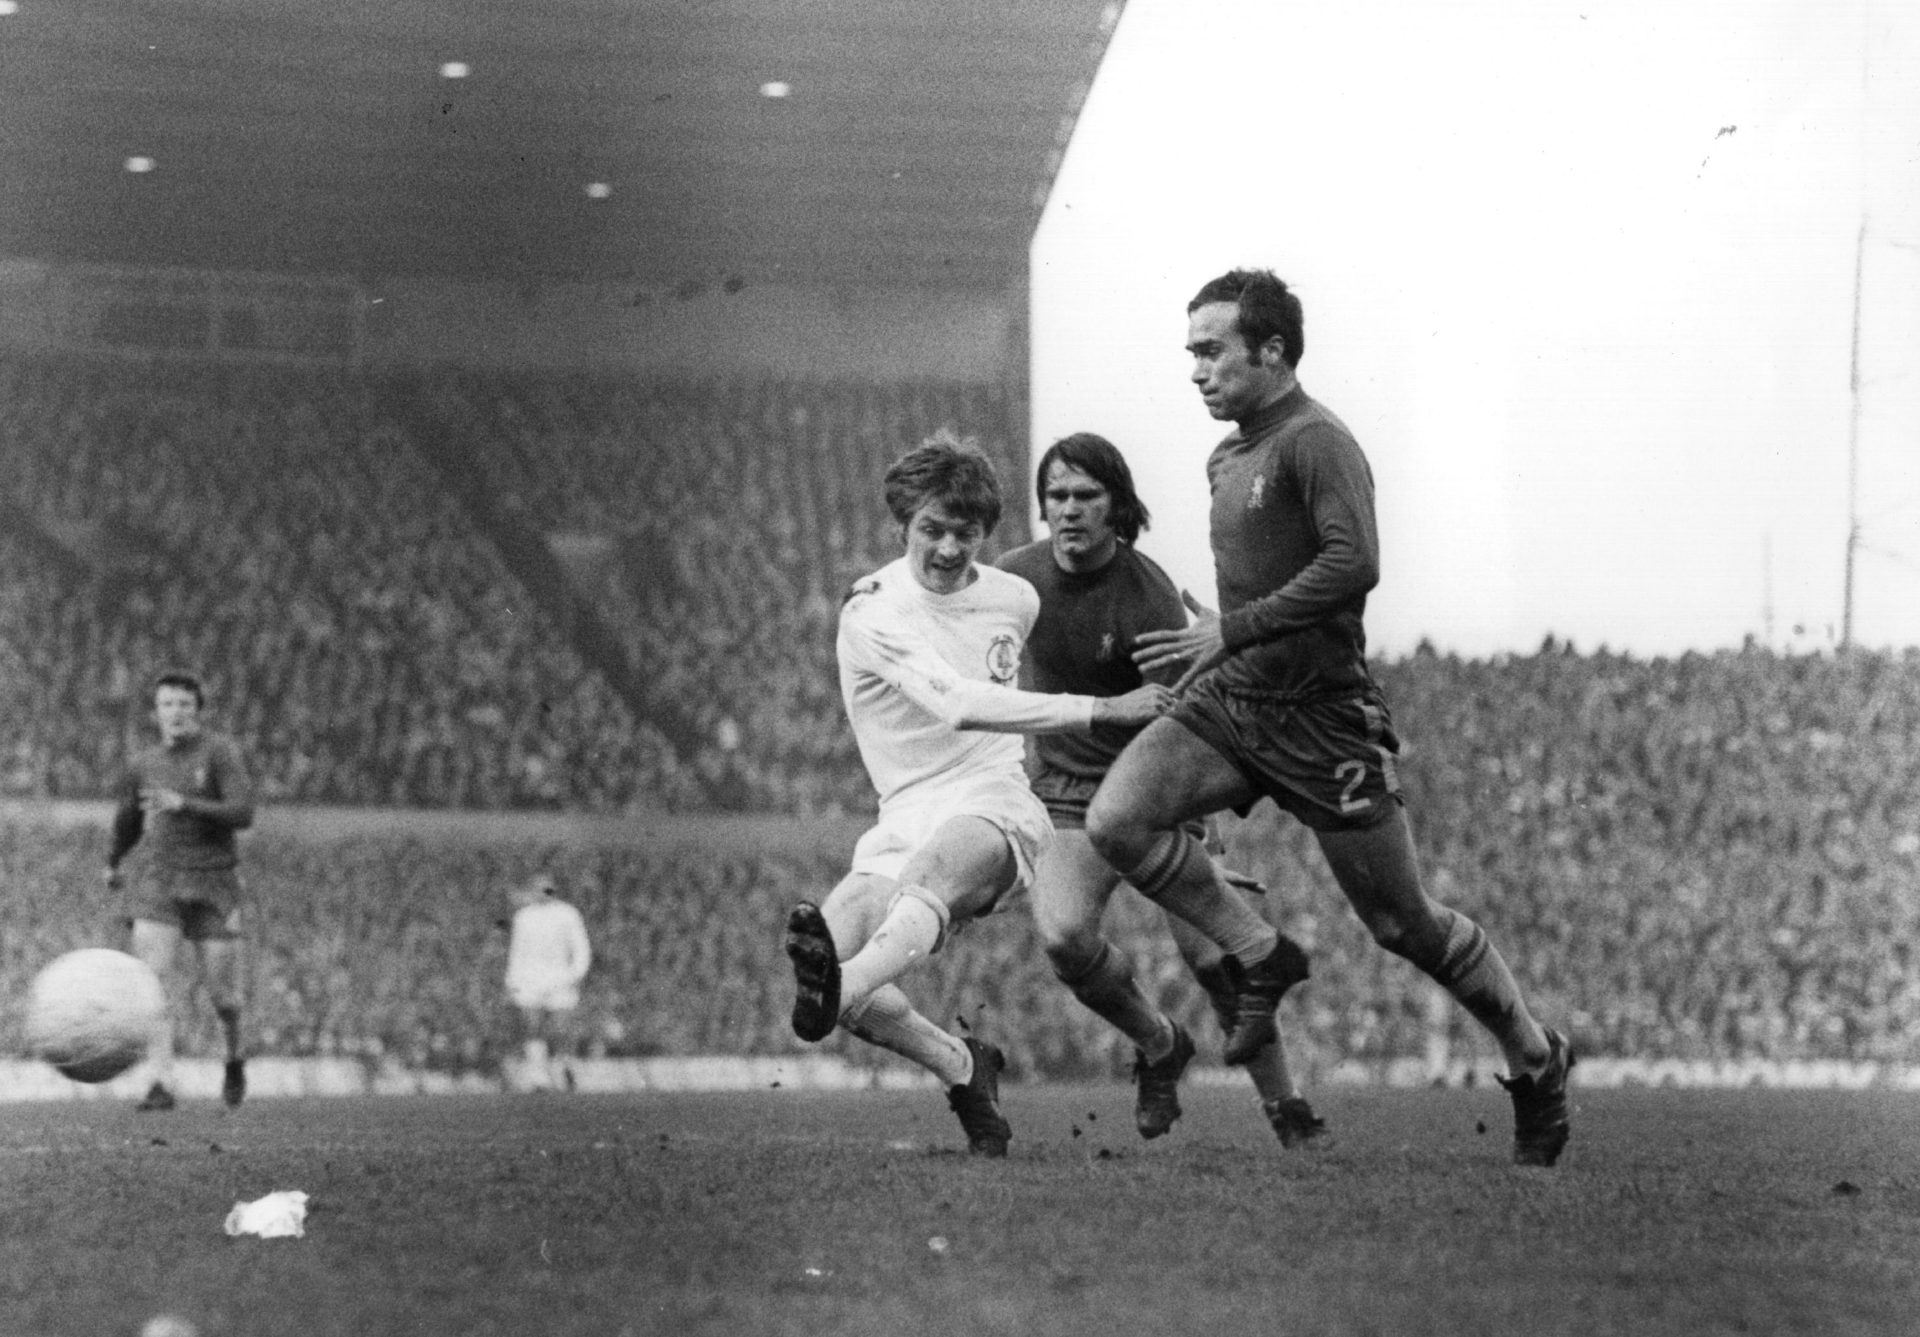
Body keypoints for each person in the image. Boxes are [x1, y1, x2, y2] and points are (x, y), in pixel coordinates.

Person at [1085, 269, 1575, 1167]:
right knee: (1117, 818)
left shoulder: (1318, 441)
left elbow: (1355, 564)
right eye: (1189, 351)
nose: (1195, 369)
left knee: (1403, 927)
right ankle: (1258, 951)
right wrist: (1220, 631)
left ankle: (1535, 1057)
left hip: (1324, 719)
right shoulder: (1226, 456)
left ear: (1271, 349)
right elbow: (1263, 573)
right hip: (1236, 703)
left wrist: (1231, 627)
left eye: (1211, 349)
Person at [783, 431, 1192, 1157]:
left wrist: (1109, 723)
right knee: (841, 946)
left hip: (995, 801)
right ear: (902, 525)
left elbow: (1011, 691)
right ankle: (964, 1066)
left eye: (965, 533)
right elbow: (955, 700)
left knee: (911, 897)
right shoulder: (872, 611)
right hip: (902, 813)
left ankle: (835, 992)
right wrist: (1101, 709)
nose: (947, 548)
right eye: (931, 530)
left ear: (986, 533)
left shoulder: (1015, 598)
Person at [998, 433, 1323, 1146]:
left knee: (1218, 961)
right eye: (1057, 495)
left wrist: (1204, 837)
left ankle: (1288, 1108)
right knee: (1063, 938)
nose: (1070, 509)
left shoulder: (1146, 596)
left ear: (1118, 505)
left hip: (1147, 803)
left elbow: (1184, 731)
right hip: (1066, 800)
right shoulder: (1014, 581)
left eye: (1087, 495)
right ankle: (1158, 1044)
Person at [104, 672, 256, 1111]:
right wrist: (112, 861)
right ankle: (161, 1082)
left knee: (224, 998)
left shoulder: (220, 753)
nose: (176, 712)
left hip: (213, 883)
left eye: (185, 705)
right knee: (152, 985)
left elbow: (243, 812)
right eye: (168, 704)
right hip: (158, 881)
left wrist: (185, 803)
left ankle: (234, 1057)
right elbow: (127, 820)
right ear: (156, 713)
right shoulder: (143, 764)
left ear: (198, 711)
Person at [501, 873, 594, 1092]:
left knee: (561, 1029)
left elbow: (581, 948)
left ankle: (566, 1067)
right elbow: (517, 953)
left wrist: (576, 975)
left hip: (560, 978)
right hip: (530, 980)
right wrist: (511, 981)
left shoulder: (568, 914)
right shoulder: (524, 916)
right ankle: (538, 1076)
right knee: (532, 1027)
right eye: (538, 888)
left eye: (547, 888)